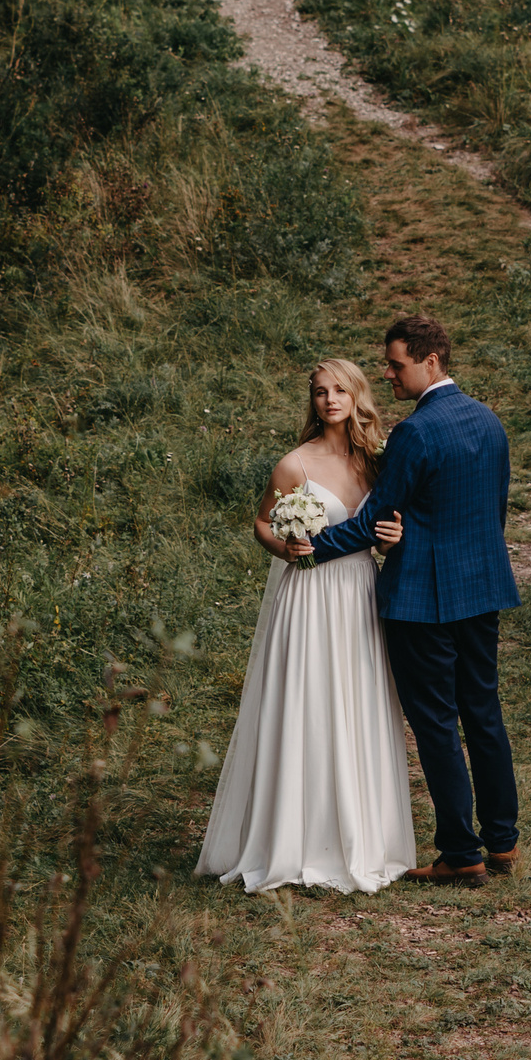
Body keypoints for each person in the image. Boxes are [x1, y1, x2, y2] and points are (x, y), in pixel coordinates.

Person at [306, 315, 523, 887]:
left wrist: (311, 549)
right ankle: (502, 844)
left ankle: (461, 854)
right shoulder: (489, 421)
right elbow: (490, 513)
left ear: (431, 362)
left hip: (423, 600)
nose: (389, 373)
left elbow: (375, 520)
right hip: (482, 589)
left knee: (435, 724)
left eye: (397, 364)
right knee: (484, 714)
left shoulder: (416, 434)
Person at [196, 359, 414, 894]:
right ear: (312, 402)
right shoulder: (295, 464)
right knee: (307, 699)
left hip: (359, 591)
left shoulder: (377, 463)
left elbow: (386, 528)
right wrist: (286, 548)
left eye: (340, 390)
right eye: (320, 392)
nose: (330, 400)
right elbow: (263, 522)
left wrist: (390, 538)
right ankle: (295, 836)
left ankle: (361, 834)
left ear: (357, 396)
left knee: (357, 699)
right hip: (310, 594)